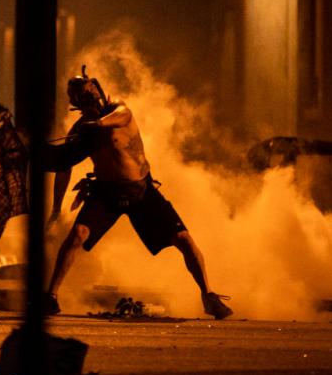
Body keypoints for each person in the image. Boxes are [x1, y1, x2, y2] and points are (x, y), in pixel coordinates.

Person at [43, 67, 233, 319]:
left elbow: (122, 117)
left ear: (98, 93)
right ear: (77, 105)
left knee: (184, 239)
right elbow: (64, 165)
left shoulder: (117, 110)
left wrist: (96, 123)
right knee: (77, 235)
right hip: (106, 192)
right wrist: (56, 208)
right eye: (84, 102)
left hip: (141, 191)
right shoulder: (81, 130)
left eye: (91, 97)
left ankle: (208, 295)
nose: (90, 104)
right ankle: (51, 297)